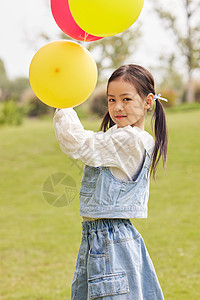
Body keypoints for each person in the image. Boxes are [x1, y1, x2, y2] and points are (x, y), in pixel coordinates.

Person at [53, 64, 168, 299]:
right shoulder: (120, 136)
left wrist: (63, 103)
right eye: (111, 99)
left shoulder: (130, 141)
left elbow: (80, 144)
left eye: (126, 99)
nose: (117, 107)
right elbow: (94, 142)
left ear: (147, 102)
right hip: (101, 238)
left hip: (110, 242)